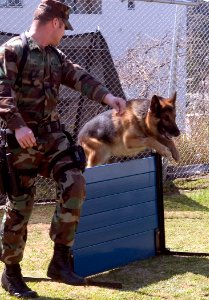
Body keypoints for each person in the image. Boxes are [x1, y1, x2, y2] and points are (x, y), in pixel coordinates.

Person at [0, 0, 126, 298]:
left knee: (75, 182)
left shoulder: (56, 56)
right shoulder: (12, 50)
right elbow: (1, 91)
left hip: (52, 138)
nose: (64, 34)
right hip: (21, 142)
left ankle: (60, 260)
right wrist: (18, 124)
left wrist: (109, 99)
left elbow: (79, 77)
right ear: (55, 22)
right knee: (20, 207)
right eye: (63, 28)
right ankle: (12, 273)